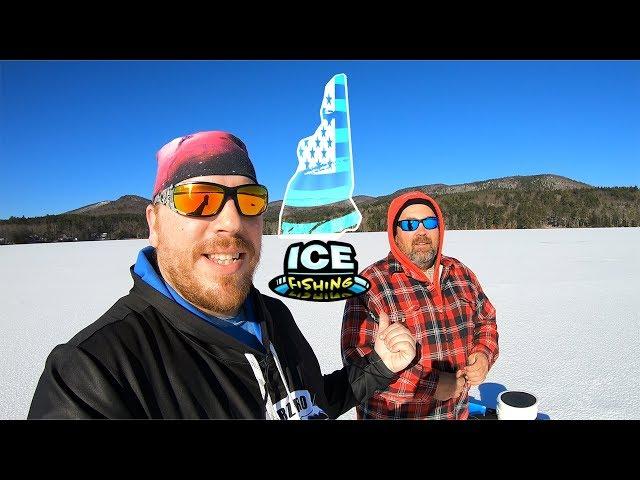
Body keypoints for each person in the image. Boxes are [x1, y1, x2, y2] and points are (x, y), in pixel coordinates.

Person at [28, 131, 416, 419]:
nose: (231, 222)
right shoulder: (92, 374)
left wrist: (379, 365)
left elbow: (311, 404)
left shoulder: (272, 317)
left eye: (248, 201)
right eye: (199, 200)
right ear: (155, 223)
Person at [341, 191, 499, 419]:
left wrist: (483, 355)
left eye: (430, 222)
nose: (422, 231)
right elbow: (357, 363)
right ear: (394, 233)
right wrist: (431, 385)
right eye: (409, 224)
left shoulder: (461, 274)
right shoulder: (370, 285)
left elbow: (486, 320)